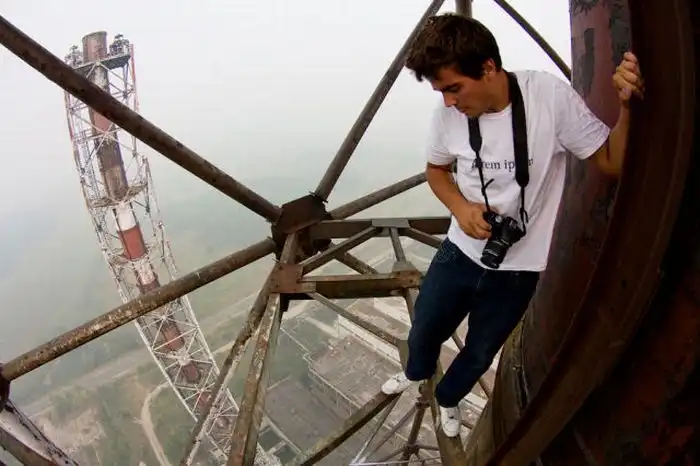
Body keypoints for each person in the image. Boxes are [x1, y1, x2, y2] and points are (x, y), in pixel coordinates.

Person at [380, 13, 644, 438]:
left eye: (454, 88)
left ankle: (448, 399)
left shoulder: (547, 98)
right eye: (441, 92)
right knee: (425, 328)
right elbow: (436, 170)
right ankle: (415, 374)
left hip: (520, 269)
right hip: (459, 252)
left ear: (488, 67)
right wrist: (461, 208)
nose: (448, 102)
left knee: (481, 350)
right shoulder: (448, 115)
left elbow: (611, 160)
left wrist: (628, 107)